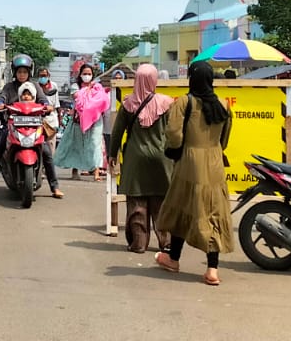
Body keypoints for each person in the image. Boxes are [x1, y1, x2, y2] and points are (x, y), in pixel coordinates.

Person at [154, 61, 235, 286]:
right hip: (215, 162)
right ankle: (212, 269)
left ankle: (173, 258)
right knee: (213, 212)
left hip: (190, 162)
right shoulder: (223, 105)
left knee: (183, 209)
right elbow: (225, 138)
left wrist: (175, 150)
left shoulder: (185, 102)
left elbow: (173, 133)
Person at [110, 63, 175, 253]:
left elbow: (117, 133)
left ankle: (138, 243)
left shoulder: (128, 104)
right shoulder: (167, 103)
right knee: (162, 203)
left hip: (135, 160)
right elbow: (175, 131)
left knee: (137, 204)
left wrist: (113, 154)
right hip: (161, 159)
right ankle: (167, 242)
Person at [0, 54, 62, 200]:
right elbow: (2, 97)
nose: (22, 75)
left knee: (47, 152)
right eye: (19, 72)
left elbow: (43, 99)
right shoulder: (9, 87)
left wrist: (47, 106)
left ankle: (54, 187)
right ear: (14, 72)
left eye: (25, 72)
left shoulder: (36, 86)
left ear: (29, 72)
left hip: (34, 126)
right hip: (12, 125)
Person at [57, 65, 110, 182]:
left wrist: (95, 91)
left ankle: (96, 173)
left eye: (89, 74)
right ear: (80, 75)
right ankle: (75, 171)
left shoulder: (97, 87)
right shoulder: (75, 87)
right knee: (76, 145)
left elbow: (102, 99)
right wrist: (90, 91)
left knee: (95, 144)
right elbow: (78, 97)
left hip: (95, 120)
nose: (87, 76)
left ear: (92, 75)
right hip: (78, 120)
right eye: (84, 73)